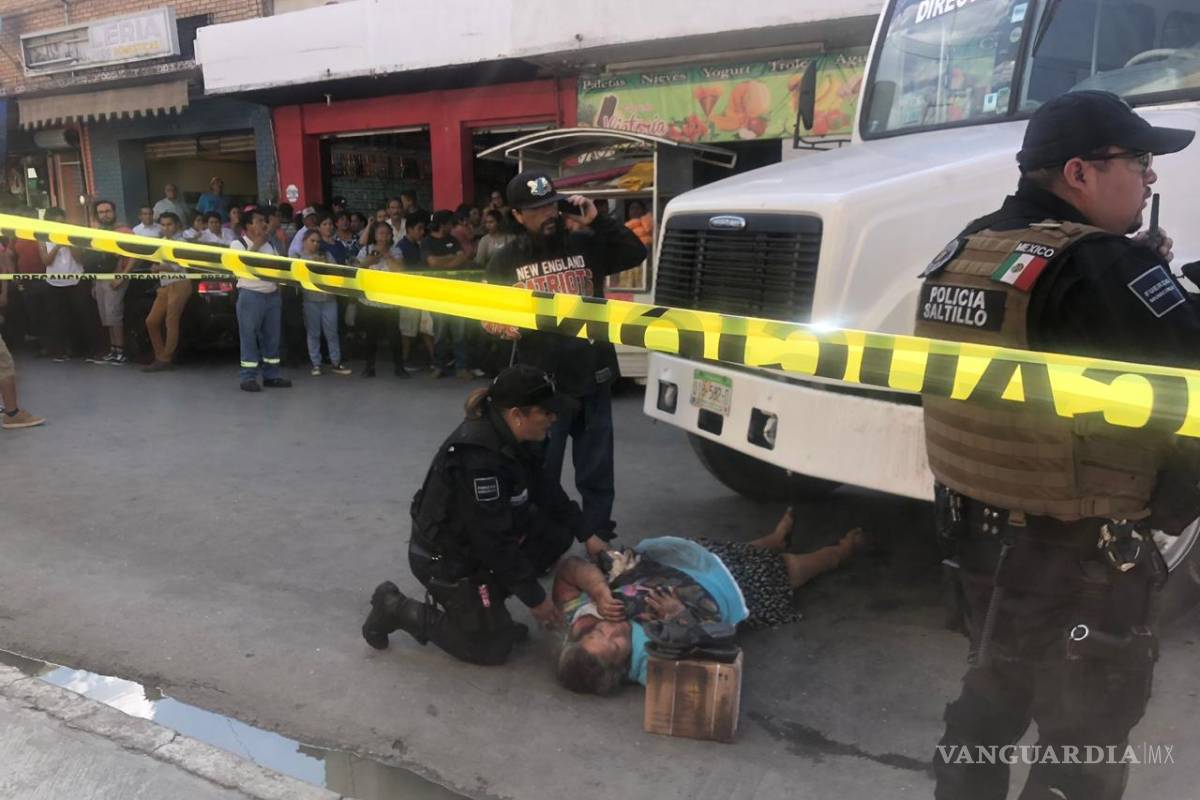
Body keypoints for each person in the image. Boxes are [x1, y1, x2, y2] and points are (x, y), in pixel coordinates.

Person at [915, 91, 1197, 800]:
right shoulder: (1101, 267)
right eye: (1138, 160)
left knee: (986, 709)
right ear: (1080, 172)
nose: (1150, 176)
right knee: (1083, 741)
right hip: (1080, 559)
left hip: (978, 541)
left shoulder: (970, 246)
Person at [361, 365, 611, 665]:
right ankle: (395, 607)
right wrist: (536, 599)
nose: (553, 418)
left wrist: (587, 533)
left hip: (476, 543)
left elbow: (545, 487)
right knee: (489, 649)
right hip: (444, 559)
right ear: (518, 414)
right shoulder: (478, 458)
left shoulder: (515, 437)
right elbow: (494, 542)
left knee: (556, 533)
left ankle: (488, 612)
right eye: (546, 412)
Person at [484, 170, 647, 546]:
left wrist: (599, 219)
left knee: (596, 471)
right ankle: (544, 543)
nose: (547, 215)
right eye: (535, 209)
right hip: (542, 390)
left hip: (593, 377)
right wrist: (500, 329)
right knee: (542, 471)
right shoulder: (505, 260)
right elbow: (489, 321)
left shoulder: (585, 244)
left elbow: (634, 252)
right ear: (518, 216)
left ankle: (599, 537)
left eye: (550, 205)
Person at [554, 509, 865, 694]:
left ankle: (772, 541)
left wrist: (597, 589)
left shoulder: (583, 617)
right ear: (621, 669)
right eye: (615, 645)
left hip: (692, 562)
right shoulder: (652, 668)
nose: (612, 630)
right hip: (736, 590)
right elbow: (715, 670)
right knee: (791, 569)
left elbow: (568, 571)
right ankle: (839, 553)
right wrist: (678, 617)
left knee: (730, 552)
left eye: (598, 634)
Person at [231, 207, 292, 392]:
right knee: (249, 338)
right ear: (248, 225)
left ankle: (271, 375)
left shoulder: (271, 244)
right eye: (258, 221)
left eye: (264, 221)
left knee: (272, 338)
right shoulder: (238, 244)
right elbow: (242, 265)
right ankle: (248, 378)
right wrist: (257, 243)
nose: (264, 224)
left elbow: (278, 267)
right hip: (251, 295)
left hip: (272, 296)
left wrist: (279, 288)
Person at [40, 207, 101, 363]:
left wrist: (69, 243)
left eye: (61, 222)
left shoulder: (73, 235)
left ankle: (91, 349)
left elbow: (81, 259)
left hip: (76, 279)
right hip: (54, 282)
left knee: (83, 315)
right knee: (58, 318)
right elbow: (46, 261)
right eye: (55, 222)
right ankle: (61, 350)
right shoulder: (42, 237)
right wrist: (58, 246)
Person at [423, 209, 473, 378]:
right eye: (450, 223)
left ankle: (462, 367)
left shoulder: (453, 240)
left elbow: (462, 258)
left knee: (460, 330)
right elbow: (432, 262)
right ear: (442, 224)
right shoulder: (427, 242)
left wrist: (442, 261)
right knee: (440, 331)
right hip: (437, 292)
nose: (452, 226)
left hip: (456, 291)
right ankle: (438, 366)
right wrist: (450, 258)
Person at [354, 220, 407, 379]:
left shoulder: (396, 251)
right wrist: (371, 259)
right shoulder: (365, 250)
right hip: (370, 301)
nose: (383, 237)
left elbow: (399, 270)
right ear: (375, 236)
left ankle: (399, 367)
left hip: (390, 302)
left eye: (386, 233)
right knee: (371, 336)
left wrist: (386, 255)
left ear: (391, 235)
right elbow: (357, 268)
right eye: (380, 233)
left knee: (394, 336)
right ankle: (369, 367)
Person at [142, 212, 193, 372]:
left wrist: (161, 267)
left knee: (171, 321)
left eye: (169, 224)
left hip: (180, 283)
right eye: (163, 224)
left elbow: (180, 266)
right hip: (165, 285)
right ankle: (161, 356)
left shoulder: (182, 242)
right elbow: (160, 264)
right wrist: (155, 268)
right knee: (151, 321)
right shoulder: (161, 242)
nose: (166, 228)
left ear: (177, 225)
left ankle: (165, 358)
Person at [84, 200, 132, 365]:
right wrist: (93, 283)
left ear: (114, 212)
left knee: (114, 314)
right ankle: (113, 350)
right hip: (100, 277)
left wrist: (122, 276)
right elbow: (95, 258)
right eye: (101, 212)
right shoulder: (97, 232)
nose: (105, 214)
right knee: (106, 316)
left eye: (108, 211)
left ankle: (120, 352)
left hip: (115, 276)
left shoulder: (124, 231)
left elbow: (135, 256)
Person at [297, 229, 351, 377]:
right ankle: (316, 364)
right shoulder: (299, 257)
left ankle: (336, 361)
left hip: (328, 299)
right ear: (304, 241)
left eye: (317, 241)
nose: (315, 244)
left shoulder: (326, 255)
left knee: (332, 332)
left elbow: (336, 273)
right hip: (310, 300)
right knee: (313, 333)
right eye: (312, 241)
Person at [395, 212, 437, 369]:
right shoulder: (400, 248)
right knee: (408, 330)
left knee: (427, 328)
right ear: (410, 229)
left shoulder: (422, 245)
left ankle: (435, 360)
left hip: (423, 291)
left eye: (423, 229)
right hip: (408, 293)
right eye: (419, 228)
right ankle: (405, 360)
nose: (422, 232)